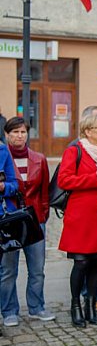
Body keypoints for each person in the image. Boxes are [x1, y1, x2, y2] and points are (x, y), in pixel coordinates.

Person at [59, 114, 97, 327]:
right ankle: (75, 305)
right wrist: (93, 178)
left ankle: (91, 305)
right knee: (81, 262)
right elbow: (64, 180)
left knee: (96, 262)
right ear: (88, 131)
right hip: (80, 216)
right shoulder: (75, 151)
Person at [0, 119, 36, 327]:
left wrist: (3, 187)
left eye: (23, 132)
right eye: (15, 132)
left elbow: (14, 185)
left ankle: (10, 311)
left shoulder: (2, 152)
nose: (19, 136)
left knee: (8, 268)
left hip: (4, 220)